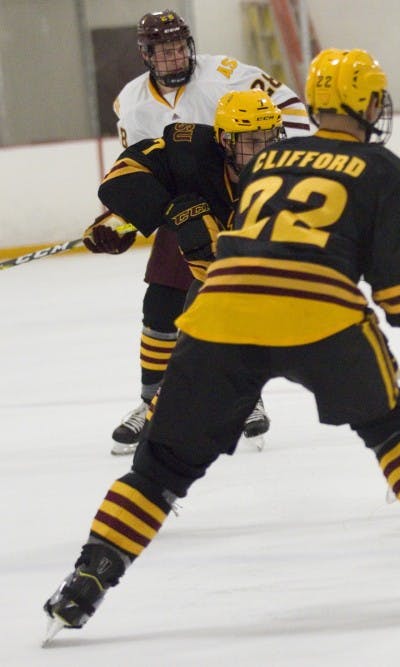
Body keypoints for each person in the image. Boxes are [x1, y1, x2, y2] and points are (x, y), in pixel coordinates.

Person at [42, 48, 400, 641]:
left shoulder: (269, 164)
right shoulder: (387, 171)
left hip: (219, 316)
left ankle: (86, 581)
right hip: (321, 319)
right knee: (394, 427)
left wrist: (132, 221)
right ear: (368, 104)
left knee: (162, 467)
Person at [97, 8, 311, 455]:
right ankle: (150, 401)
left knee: (233, 302)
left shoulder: (228, 75)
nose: (174, 58)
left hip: (239, 204)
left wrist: (274, 169)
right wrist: (117, 217)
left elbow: (291, 110)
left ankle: (246, 397)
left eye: (178, 47)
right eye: (163, 50)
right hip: (184, 210)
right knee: (160, 308)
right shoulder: (132, 102)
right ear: (146, 55)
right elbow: (137, 171)